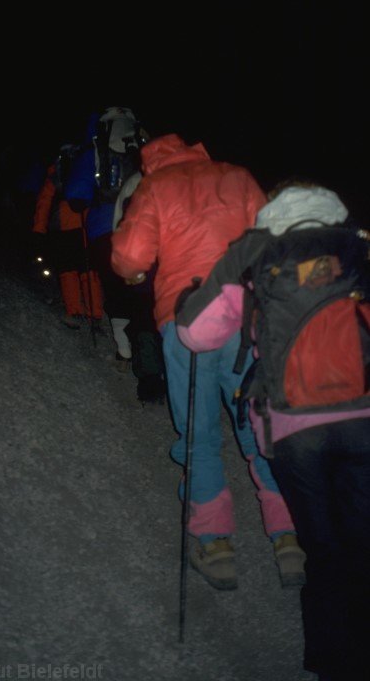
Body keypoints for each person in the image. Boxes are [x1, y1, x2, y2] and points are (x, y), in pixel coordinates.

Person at [175, 181, 370, 679]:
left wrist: (184, 304)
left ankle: (335, 665)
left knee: (323, 550)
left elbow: (198, 335)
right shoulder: (358, 246)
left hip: (293, 427)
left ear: (271, 207)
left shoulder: (255, 249)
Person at [111, 133, 305, 590]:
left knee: (199, 432)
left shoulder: (154, 187)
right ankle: (289, 538)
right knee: (258, 425)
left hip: (187, 323)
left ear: (152, 159)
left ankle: (216, 546)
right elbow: (272, 240)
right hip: (245, 321)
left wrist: (136, 272)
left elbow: (131, 256)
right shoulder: (237, 176)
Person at [65, 107, 158, 383]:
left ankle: (125, 350)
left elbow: (75, 193)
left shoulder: (96, 147)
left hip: (103, 228)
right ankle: (151, 355)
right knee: (143, 290)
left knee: (115, 290)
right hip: (143, 226)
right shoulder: (143, 144)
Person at [32, 144, 104, 329]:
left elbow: (45, 200)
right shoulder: (88, 166)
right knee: (89, 269)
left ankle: (74, 311)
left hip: (63, 225)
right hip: (87, 224)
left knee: (68, 270)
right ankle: (95, 312)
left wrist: (39, 229)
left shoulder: (57, 169)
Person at [113, 170, 166, 404]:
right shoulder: (185, 180)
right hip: (172, 268)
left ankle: (151, 380)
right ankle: (166, 379)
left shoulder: (137, 181)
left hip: (144, 266)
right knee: (163, 322)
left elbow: (121, 225)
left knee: (145, 319)